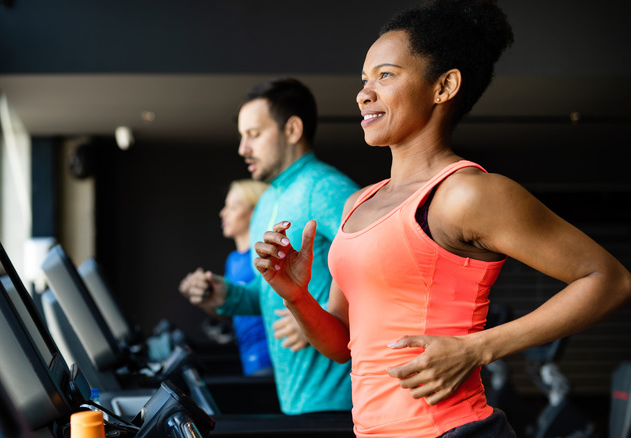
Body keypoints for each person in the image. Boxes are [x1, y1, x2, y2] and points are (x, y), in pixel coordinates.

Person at [251, 1, 631, 437]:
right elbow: (341, 345)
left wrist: (479, 347)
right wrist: (296, 297)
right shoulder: (357, 203)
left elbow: (610, 279)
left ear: (444, 86)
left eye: (386, 75)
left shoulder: (464, 194)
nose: (363, 92)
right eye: (364, 79)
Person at [179, 78, 358, 415]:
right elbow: (269, 299)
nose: (243, 148)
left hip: (340, 403)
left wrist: (316, 317)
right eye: (242, 136)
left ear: (292, 130)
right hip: (294, 401)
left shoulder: (326, 187)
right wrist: (225, 295)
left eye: (254, 134)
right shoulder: (267, 202)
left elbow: (376, 262)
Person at [219, 179, 274, 376]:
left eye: (233, 208)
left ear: (255, 212)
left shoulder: (265, 257)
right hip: (247, 358)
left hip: (269, 358)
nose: (223, 213)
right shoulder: (232, 260)